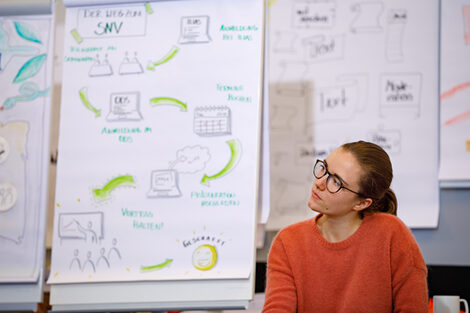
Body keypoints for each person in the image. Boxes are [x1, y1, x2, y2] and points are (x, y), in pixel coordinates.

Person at [262, 141, 429, 313]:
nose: (319, 182)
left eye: (335, 182)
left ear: (361, 203)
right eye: (323, 168)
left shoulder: (392, 234)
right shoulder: (288, 241)